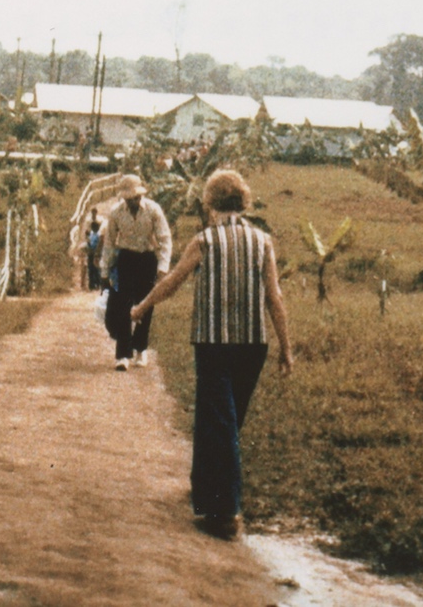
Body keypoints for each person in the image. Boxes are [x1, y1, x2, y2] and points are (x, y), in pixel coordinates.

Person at [130, 169, 293, 541]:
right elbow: (275, 298)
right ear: (244, 203)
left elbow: (172, 281)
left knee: (218, 423)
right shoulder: (263, 241)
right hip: (253, 346)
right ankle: (206, 492)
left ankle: (225, 511)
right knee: (226, 422)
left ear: (209, 203)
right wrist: (286, 347)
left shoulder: (204, 240)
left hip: (214, 344)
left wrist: (141, 307)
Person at [100, 174, 172, 371]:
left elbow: (165, 239)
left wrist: (162, 268)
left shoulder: (153, 210)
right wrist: (105, 270)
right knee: (123, 306)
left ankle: (141, 348)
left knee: (145, 304)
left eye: (136, 197)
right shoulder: (116, 213)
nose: (134, 201)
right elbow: (109, 243)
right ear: (124, 198)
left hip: (147, 259)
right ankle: (122, 354)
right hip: (126, 259)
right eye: (130, 198)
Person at [85, 215, 103, 291]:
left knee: (95, 269)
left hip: (95, 253)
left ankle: (97, 284)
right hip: (92, 253)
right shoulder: (92, 235)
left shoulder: (97, 235)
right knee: (92, 269)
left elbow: (96, 244)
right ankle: (92, 284)